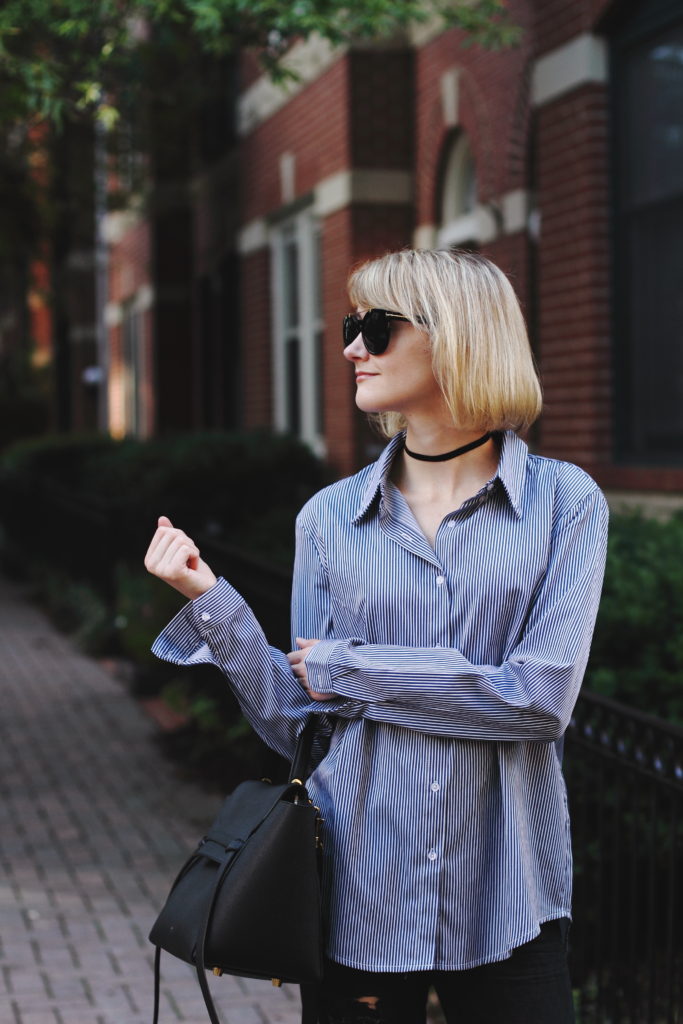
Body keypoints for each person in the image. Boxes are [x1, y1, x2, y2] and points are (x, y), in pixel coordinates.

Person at [145, 248, 608, 1024]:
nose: (353, 347)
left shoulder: (565, 503)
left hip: (508, 894)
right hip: (357, 890)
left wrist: (349, 667)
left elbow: (537, 702)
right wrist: (209, 600)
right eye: (351, 327)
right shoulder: (328, 517)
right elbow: (297, 721)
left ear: (458, 335)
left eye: (378, 328)